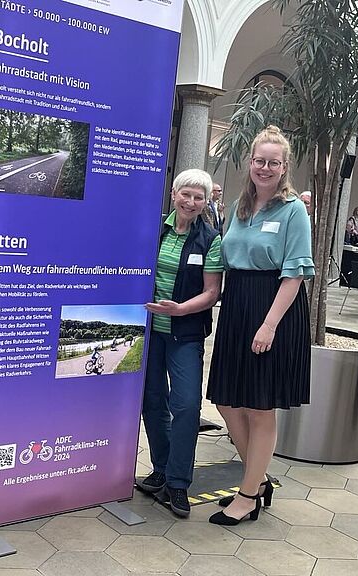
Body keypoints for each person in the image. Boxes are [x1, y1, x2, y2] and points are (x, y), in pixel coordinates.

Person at [205, 126, 314, 526]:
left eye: (273, 162)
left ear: (284, 167)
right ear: (250, 163)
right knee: (226, 399)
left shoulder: (293, 210)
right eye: (259, 161)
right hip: (237, 306)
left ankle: (248, 494)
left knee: (258, 405)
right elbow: (224, 256)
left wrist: (268, 325)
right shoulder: (238, 207)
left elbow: (295, 274)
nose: (265, 168)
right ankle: (259, 478)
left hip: (274, 308)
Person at [137, 169, 223, 518]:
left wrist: (179, 309)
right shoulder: (154, 228)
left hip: (185, 333)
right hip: (148, 332)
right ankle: (161, 470)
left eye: (198, 197)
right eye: (186, 194)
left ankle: (178, 483)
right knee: (152, 400)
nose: (191, 202)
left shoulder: (210, 239)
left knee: (186, 406)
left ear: (206, 202)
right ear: (174, 194)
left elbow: (212, 292)